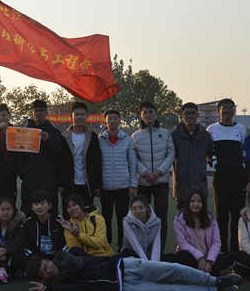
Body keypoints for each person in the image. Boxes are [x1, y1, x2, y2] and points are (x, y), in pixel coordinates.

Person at [26, 249, 242, 291]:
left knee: (173, 270)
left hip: (125, 266)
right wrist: (51, 290)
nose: (48, 269)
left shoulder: (66, 257)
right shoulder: (62, 285)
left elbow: (74, 267)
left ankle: (216, 280)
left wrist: (53, 286)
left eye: (46, 264)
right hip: (125, 288)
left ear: (49, 260)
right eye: (43, 272)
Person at [163, 190, 237, 275]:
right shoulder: (179, 220)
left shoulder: (211, 219)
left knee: (233, 256)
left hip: (209, 258)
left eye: (199, 201)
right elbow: (183, 244)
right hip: (191, 257)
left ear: (203, 204)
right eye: (192, 201)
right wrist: (200, 257)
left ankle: (206, 270)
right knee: (179, 256)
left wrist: (209, 260)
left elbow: (216, 242)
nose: (196, 204)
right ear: (188, 203)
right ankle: (208, 272)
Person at [132, 101, 175, 249]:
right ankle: (143, 249)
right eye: (145, 112)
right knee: (142, 216)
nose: (148, 115)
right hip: (143, 183)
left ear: (156, 114)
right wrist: (145, 172)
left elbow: (171, 154)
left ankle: (159, 250)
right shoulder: (135, 136)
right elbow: (134, 158)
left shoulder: (166, 133)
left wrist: (159, 172)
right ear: (141, 115)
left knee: (161, 216)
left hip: (161, 182)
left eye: (151, 112)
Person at [206, 98, 247, 252]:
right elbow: (208, 154)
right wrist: (214, 167)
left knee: (238, 216)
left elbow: (244, 153)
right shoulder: (211, 129)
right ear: (219, 111)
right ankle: (222, 249)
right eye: (224, 109)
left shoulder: (241, 129)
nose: (228, 112)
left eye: (231, 109)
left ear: (234, 111)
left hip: (238, 178)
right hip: (221, 178)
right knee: (222, 216)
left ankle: (236, 249)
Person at [97, 109, 138, 248]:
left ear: (119, 121)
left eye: (115, 118)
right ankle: (107, 246)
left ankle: (122, 247)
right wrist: (97, 185)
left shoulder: (127, 140)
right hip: (105, 187)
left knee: (123, 219)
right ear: (105, 122)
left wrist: (133, 184)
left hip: (123, 187)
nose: (112, 121)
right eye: (110, 119)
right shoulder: (99, 140)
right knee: (106, 219)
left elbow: (132, 164)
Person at [18, 99, 65, 215]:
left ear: (46, 113)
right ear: (32, 113)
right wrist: (23, 174)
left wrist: (48, 140)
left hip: (48, 181)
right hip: (29, 180)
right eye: (36, 111)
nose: (39, 113)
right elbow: (19, 156)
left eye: (42, 111)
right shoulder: (24, 131)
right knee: (28, 211)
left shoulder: (54, 132)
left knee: (49, 212)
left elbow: (60, 154)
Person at [60, 101, 102, 212]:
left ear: (87, 116)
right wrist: (61, 184)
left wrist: (96, 185)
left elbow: (97, 162)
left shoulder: (93, 137)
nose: (79, 117)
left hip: (87, 184)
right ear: (71, 116)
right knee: (70, 215)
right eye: (77, 114)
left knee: (87, 215)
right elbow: (59, 162)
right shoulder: (63, 137)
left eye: (82, 114)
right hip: (69, 185)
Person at [171, 103, 214, 210]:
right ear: (182, 115)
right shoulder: (174, 136)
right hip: (182, 185)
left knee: (201, 218)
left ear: (197, 115)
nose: (190, 116)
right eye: (187, 113)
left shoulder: (205, 135)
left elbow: (210, 156)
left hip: (200, 185)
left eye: (193, 113)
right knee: (182, 218)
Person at [23, 190, 65, 259]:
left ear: (50, 206)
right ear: (32, 208)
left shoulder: (59, 221)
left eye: (42, 204)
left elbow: (66, 244)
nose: (39, 207)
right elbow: (25, 246)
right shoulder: (28, 223)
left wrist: (58, 258)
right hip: (37, 259)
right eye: (36, 204)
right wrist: (38, 260)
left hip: (57, 258)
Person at [121, 195, 162, 261]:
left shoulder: (157, 222)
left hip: (148, 256)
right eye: (134, 208)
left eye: (141, 207)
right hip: (131, 256)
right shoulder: (126, 222)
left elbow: (156, 246)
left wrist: (154, 264)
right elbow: (135, 244)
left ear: (146, 208)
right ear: (131, 210)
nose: (138, 211)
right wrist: (146, 264)